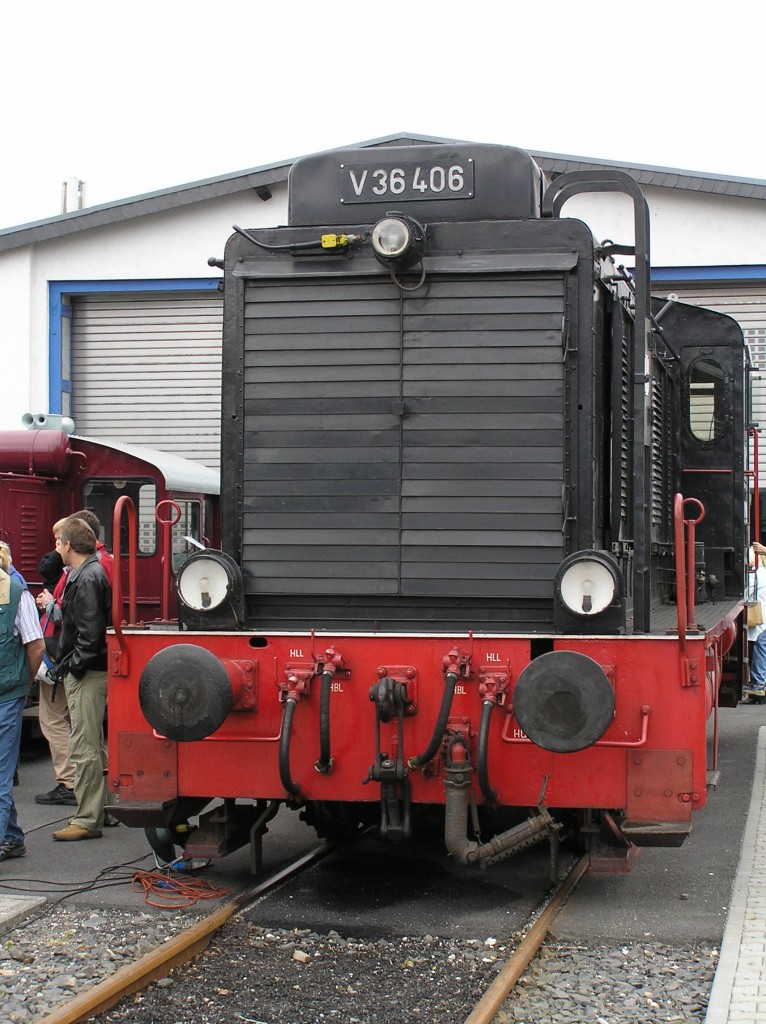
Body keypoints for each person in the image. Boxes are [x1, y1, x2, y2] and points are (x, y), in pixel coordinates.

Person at [34, 510, 114, 808]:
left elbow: (87, 632)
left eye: (59, 541)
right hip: (84, 661)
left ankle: (85, 808)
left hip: (83, 666)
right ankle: (103, 804)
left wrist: (69, 666)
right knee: (90, 739)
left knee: (84, 742)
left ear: (69, 544)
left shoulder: (90, 574)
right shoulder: (92, 569)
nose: (56, 546)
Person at [0, 544, 44, 861]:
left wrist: (23, 682)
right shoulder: (17, 591)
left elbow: (37, 646)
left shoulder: (17, 593)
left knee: (0, 776)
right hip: (10, 691)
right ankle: (12, 837)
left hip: (7, 696)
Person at [745, 542, 766, 703]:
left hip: (762, 619)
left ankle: (759, 684)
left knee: (760, 646)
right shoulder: (762, 571)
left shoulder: (755, 574)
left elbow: (745, 594)